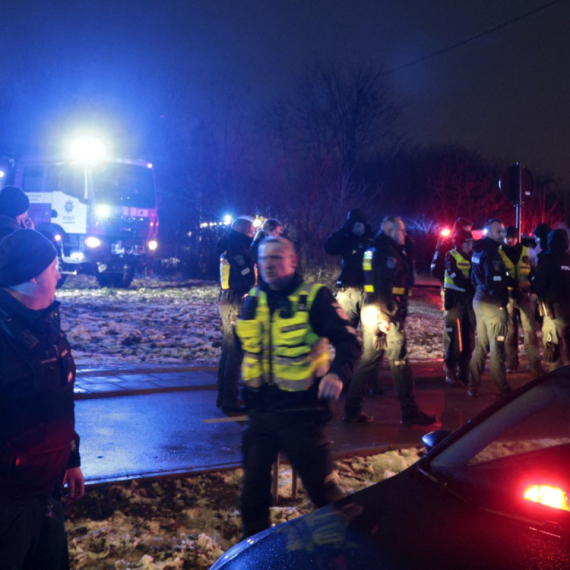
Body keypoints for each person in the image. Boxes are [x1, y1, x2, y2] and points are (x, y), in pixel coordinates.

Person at [235, 236, 361, 538]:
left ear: (293, 261)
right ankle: (256, 552)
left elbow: (350, 342)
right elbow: (245, 347)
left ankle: (361, 544)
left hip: (301, 414)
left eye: (277, 257)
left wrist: (336, 375)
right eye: (264, 258)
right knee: (252, 492)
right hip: (261, 413)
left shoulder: (314, 298)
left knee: (324, 491)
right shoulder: (253, 299)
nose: (269, 264)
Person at [0, 229, 84, 569]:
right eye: (54, 266)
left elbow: (61, 400)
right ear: (34, 275)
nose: (59, 274)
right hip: (8, 507)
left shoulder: (47, 325)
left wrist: (71, 457)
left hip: (47, 495)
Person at [343, 216, 436, 426]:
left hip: (374, 310)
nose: (405, 234)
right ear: (390, 230)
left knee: (369, 361)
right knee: (400, 362)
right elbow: (383, 285)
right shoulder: (386, 252)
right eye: (401, 230)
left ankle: (351, 411)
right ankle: (410, 412)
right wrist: (386, 315)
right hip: (384, 313)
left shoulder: (378, 248)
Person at [468, 219, 511, 398]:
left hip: (479, 299)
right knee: (497, 345)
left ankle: (472, 384)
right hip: (492, 303)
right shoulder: (492, 253)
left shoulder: (477, 250)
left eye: (502, 231)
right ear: (489, 233)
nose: (502, 235)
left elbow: (473, 278)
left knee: (481, 345)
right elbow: (495, 281)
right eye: (498, 232)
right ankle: (502, 388)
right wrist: (501, 302)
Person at [216, 217, 256, 413]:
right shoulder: (238, 250)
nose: (253, 234)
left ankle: (223, 396)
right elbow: (246, 276)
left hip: (227, 299)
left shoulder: (228, 246)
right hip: (235, 301)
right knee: (235, 352)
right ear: (245, 231)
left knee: (227, 351)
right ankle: (230, 400)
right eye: (251, 231)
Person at [499, 226, 543, 376]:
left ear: (517, 237)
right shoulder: (499, 252)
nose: (509, 240)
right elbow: (500, 275)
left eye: (512, 237)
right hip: (508, 295)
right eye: (507, 237)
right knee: (510, 332)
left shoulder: (527, 252)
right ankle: (512, 364)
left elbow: (535, 271)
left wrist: (530, 284)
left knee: (530, 331)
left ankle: (534, 365)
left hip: (525, 295)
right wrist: (516, 283)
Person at [324, 209, 374, 329]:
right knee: (345, 333)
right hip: (347, 293)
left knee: (372, 336)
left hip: (369, 294)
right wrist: (343, 229)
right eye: (354, 224)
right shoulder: (345, 239)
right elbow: (328, 248)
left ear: (365, 224)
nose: (358, 227)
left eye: (360, 224)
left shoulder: (373, 240)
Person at [531, 229, 570, 370]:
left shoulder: (547, 261)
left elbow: (538, 286)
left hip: (552, 312)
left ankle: (556, 384)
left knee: (552, 350)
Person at [442, 229, 475, 386]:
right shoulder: (451, 255)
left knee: (469, 337)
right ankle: (450, 370)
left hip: (468, 301)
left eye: (471, 242)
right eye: (468, 242)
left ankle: (464, 370)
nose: (470, 245)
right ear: (460, 243)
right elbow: (455, 276)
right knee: (454, 338)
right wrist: (471, 286)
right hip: (454, 300)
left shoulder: (473, 256)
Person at [430, 217, 473, 283]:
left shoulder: (469, 246)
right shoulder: (446, 245)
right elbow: (435, 270)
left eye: (470, 231)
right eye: (466, 231)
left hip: (466, 290)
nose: (469, 234)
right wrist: (452, 274)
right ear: (459, 231)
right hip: (452, 290)